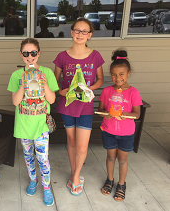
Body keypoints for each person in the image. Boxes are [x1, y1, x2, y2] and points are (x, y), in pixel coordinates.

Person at [53, 18, 105, 195]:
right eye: (77, 30)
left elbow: (100, 79)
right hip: (67, 106)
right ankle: (75, 174)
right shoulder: (62, 56)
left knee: (82, 146)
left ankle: (76, 175)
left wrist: (89, 89)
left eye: (84, 31)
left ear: (90, 35)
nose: (80, 34)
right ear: (71, 32)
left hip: (85, 107)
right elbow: (55, 82)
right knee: (72, 141)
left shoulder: (95, 55)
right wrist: (61, 92)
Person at [7, 38, 59, 206]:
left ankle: (46, 187)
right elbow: (15, 102)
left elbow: (51, 100)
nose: (30, 56)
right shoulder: (16, 75)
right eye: (26, 53)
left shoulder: (47, 73)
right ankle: (33, 180)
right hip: (23, 123)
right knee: (28, 156)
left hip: (41, 124)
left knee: (43, 158)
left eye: (33, 53)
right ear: (21, 55)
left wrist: (44, 84)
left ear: (39, 53)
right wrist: (23, 81)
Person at [98, 49, 142, 201]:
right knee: (110, 157)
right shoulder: (107, 91)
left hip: (126, 133)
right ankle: (110, 180)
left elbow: (137, 113)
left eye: (121, 74)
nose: (117, 78)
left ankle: (121, 184)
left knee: (122, 159)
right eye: (114, 74)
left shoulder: (133, 93)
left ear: (128, 73)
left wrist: (125, 115)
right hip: (109, 130)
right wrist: (107, 113)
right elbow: (101, 109)